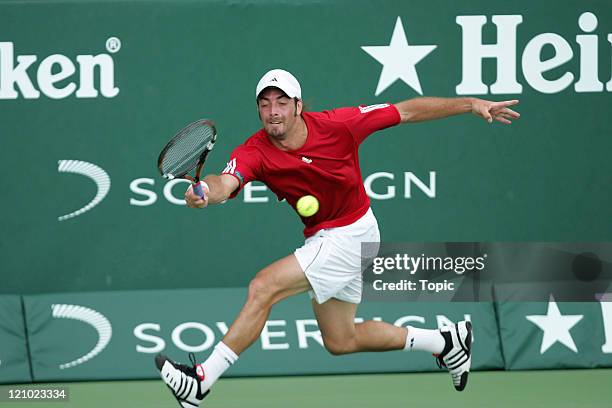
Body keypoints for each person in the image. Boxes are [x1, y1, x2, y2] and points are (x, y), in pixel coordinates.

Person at [155, 69, 520, 407]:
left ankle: (202, 380)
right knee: (341, 340)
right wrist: (205, 191)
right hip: (327, 237)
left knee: (263, 286)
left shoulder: (341, 124)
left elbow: (405, 110)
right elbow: (226, 182)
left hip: (352, 231)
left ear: (298, 106)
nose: (273, 111)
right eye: (265, 104)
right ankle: (445, 342)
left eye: (282, 102)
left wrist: (472, 104)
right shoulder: (255, 150)